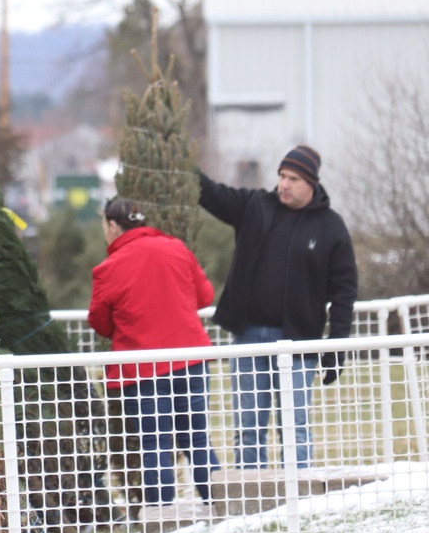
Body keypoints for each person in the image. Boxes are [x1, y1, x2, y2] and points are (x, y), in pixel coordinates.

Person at [198, 144, 358, 469]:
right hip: (248, 339)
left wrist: (336, 346)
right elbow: (211, 193)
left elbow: (344, 292)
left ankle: (297, 506)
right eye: (282, 176)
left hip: (299, 344)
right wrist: (179, 164)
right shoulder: (255, 206)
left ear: (311, 182)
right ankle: (251, 513)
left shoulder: (331, 227)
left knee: (294, 429)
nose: (284, 184)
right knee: (248, 429)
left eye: (294, 178)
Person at [88, 198, 219, 509]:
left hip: (141, 368)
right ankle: (221, 507)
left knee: (155, 444)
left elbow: (99, 320)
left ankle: (163, 522)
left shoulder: (109, 268)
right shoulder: (176, 248)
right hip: (189, 360)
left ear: (112, 225)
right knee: (197, 438)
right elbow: (205, 295)